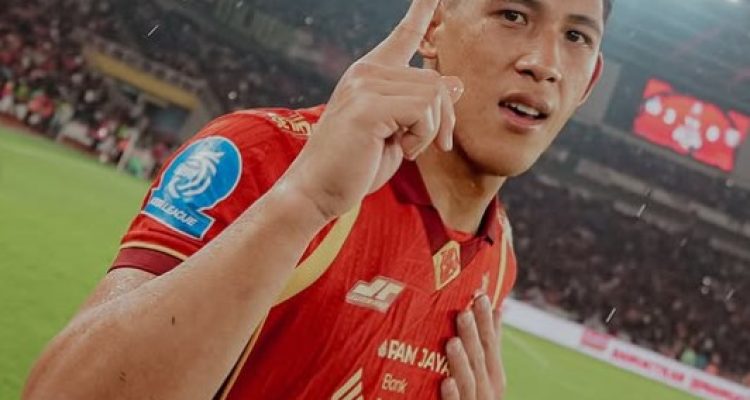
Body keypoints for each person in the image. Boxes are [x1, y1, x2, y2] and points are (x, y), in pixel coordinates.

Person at [24, 0, 610, 398]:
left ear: (589, 81)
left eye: (576, 36)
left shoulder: (499, 256)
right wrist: (304, 201)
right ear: (433, 27)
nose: (544, 64)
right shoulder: (267, 153)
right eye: (512, 15)